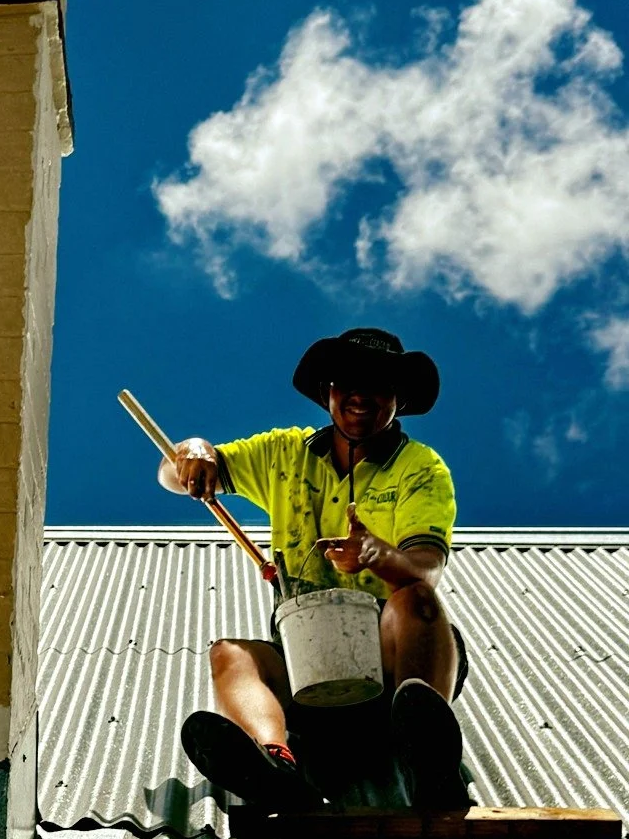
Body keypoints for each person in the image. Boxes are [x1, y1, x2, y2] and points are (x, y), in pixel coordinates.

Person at [158, 326, 468, 810]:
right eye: (347, 382)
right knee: (229, 654)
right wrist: (193, 451)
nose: (360, 396)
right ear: (328, 392)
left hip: (390, 680)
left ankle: (424, 759)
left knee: (416, 599)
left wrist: (376, 555)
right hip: (309, 684)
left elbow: (426, 569)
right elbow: (177, 473)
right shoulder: (286, 455)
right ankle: (276, 765)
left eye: (378, 384)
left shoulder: (421, 468)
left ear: (399, 397)